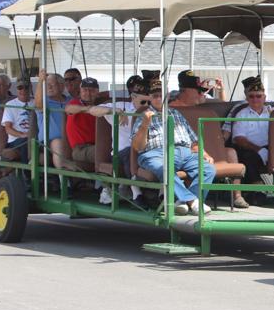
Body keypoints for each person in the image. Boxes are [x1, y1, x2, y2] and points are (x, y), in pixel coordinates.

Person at [131, 78, 216, 215]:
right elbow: (138, 147)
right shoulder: (143, 116)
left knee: (208, 169)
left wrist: (204, 153)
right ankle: (193, 202)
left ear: (168, 95)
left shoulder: (176, 113)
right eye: (155, 96)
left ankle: (183, 202)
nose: (159, 99)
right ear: (150, 98)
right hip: (156, 153)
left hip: (184, 152)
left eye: (161, 95)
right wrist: (145, 124)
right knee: (164, 168)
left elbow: (193, 141)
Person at [171, 70, 249, 209]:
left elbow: (220, 102)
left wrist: (220, 90)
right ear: (185, 91)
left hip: (206, 149)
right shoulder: (171, 110)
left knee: (231, 152)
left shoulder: (201, 107)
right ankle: (189, 200)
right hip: (184, 150)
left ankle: (236, 195)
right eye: (198, 91)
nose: (202, 94)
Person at [87, 75, 151, 203]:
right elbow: (93, 110)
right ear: (132, 95)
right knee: (130, 153)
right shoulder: (122, 105)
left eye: (145, 95)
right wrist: (113, 110)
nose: (144, 99)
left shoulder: (153, 109)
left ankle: (162, 193)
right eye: (138, 95)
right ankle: (136, 192)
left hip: (147, 149)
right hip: (122, 152)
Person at [231, 76, 274, 188]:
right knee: (248, 157)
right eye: (251, 96)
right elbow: (238, 139)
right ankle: (256, 190)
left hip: (271, 147)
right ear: (247, 98)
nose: (255, 99)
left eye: (258, 96)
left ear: (264, 97)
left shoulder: (273, 113)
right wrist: (259, 150)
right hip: (250, 149)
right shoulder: (241, 114)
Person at [34, 70, 70, 168]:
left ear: (62, 86)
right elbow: (38, 104)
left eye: (52, 84)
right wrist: (41, 81)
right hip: (48, 141)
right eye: (47, 84)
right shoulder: (45, 101)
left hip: (70, 139)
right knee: (58, 143)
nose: (49, 87)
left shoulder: (70, 101)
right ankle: (63, 179)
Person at [64, 77, 100, 165]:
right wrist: (88, 109)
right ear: (80, 91)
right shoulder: (75, 103)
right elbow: (68, 109)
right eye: (85, 90)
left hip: (96, 145)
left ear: (97, 92)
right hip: (80, 149)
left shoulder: (100, 107)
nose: (88, 93)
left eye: (92, 90)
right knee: (105, 152)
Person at [0, 80, 33, 167]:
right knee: (26, 141)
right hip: (16, 140)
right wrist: (22, 135)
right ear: (16, 89)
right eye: (20, 87)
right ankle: (26, 172)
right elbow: (8, 129)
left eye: (26, 87)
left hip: (35, 137)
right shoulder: (10, 104)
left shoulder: (36, 103)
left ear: (31, 88)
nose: (23, 90)